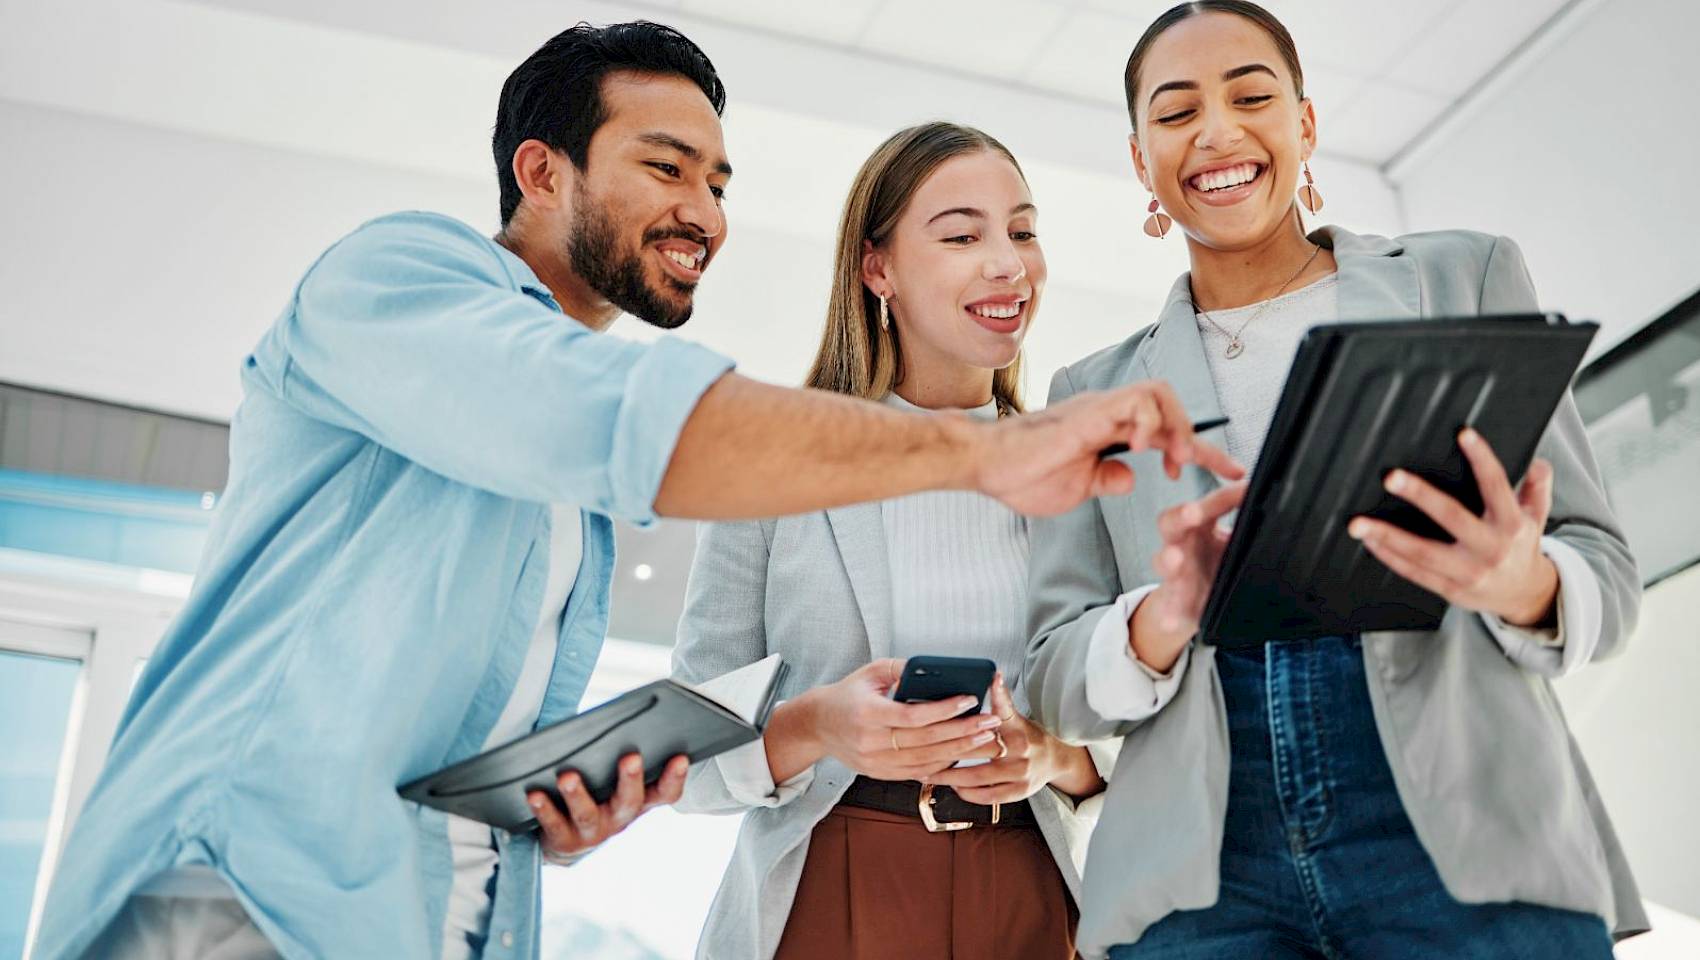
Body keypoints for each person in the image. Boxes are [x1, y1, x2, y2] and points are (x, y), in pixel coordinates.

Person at [32, 20, 1225, 960]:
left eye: (716, 180)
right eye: (665, 167)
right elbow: (618, 425)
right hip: (243, 888)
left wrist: (580, 799)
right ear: (541, 171)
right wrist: (974, 453)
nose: (702, 212)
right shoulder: (402, 278)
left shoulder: (573, 501)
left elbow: (521, 725)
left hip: (441, 916)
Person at [1020, 3, 1647, 959]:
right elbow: (1055, 681)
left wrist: (1523, 582)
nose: (1218, 131)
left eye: (1252, 96)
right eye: (1176, 112)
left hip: (1461, 828)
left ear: (1304, 126)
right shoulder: (1089, 393)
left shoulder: (1461, 276)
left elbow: (1602, 566)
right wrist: (1164, 616)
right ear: (1141, 162)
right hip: (1205, 874)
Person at [671, 122, 1135, 960]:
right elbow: (688, 756)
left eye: (1023, 232)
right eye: (962, 235)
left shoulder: (1081, 475)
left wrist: (1056, 759)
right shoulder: (772, 462)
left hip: (1033, 889)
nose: (1007, 262)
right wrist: (816, 726)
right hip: (830, 885)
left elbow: (1146, 742)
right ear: (877, 267)